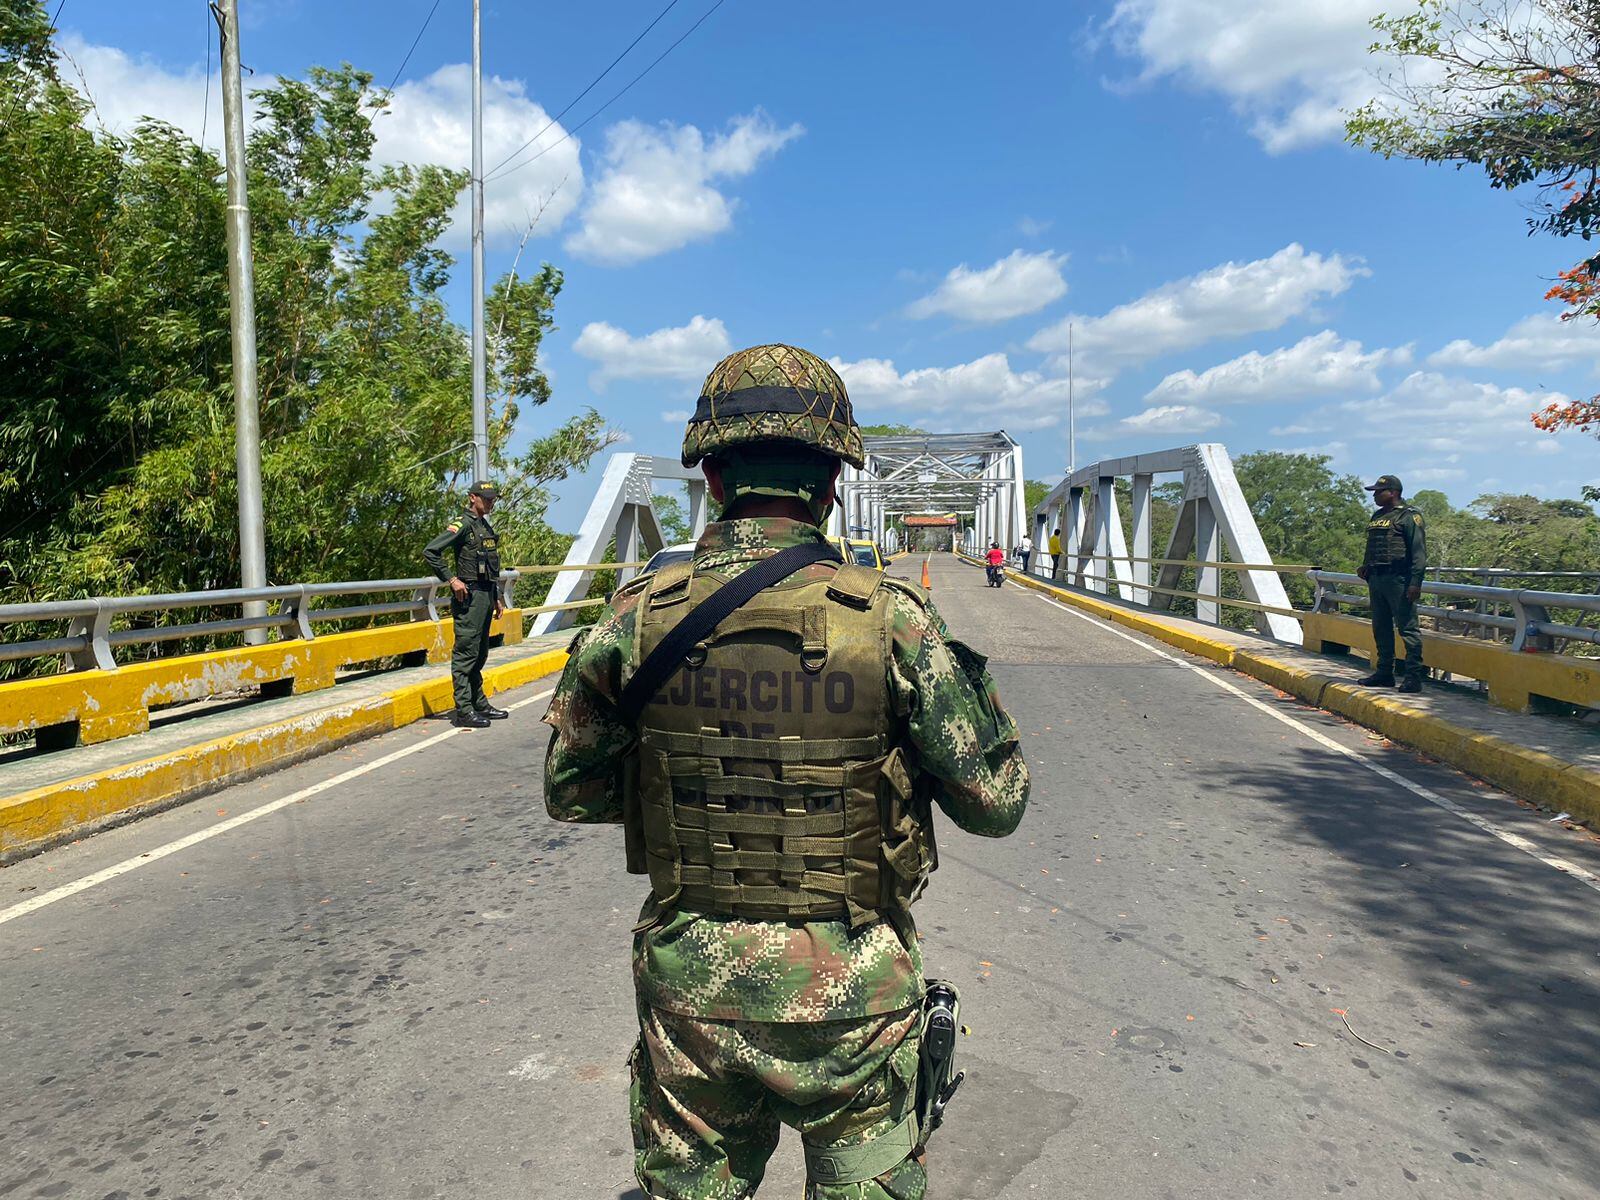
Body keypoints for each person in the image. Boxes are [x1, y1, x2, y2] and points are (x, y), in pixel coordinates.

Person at [542, 343, 1030, 1200]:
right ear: (834, 483)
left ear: (716, 479)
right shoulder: (893, 620)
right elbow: (996, 805)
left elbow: (571, 791)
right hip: (854, 1001)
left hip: (691, 989)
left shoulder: (637, 618)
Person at [422, 480, 508, 727]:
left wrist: (497, 596)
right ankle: (464, 710)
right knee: (465, 654)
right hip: (469, 597)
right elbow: (431, 551)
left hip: (485, 595)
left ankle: (479, 703)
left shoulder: (483, 525)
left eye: (493, 499)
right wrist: (451, 579)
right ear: (473, 497)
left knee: (480, 653)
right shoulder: (462, 525)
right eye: (487, 498)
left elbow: (491, 565)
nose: (491, 502)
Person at [1355, 473, 1427, 693]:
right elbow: (1372, 546)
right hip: (1377, 578)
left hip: (1399, 579)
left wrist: (1415, 582)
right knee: (1381, 627)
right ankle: (1384, 672)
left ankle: (1413, 677)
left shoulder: (1409, 517)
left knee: (1407, 628)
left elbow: (1418, 552)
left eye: (1379, 491)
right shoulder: (1377, 516)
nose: (1375, 495)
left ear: (1393, 492)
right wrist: (1366, 565)